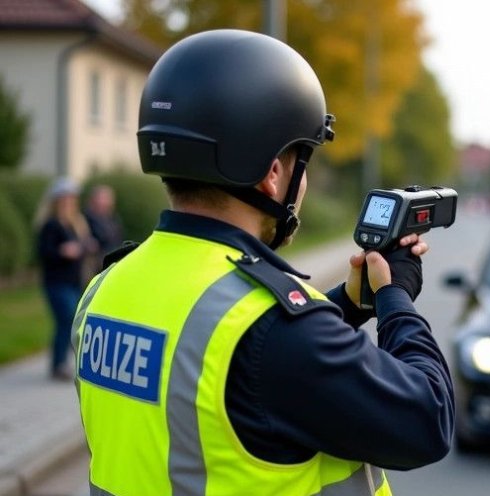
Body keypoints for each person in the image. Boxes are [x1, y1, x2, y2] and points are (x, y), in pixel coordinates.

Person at [72, 30, 453, 496]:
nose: (305, 181)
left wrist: (349, 306)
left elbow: (223, 365)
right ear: (273, 173)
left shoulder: (106, 288)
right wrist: (396, 299)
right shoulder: (276, 334)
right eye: (303, 162)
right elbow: (428, 419)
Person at [36, 177, 96, 380]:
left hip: (73, 281)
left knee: (67, 321)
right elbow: (44, 251)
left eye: (71, 199)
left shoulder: (75, 224)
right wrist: (62, 251)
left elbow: (83, 245)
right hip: (56, 282)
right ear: (56, 201)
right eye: (65, 199)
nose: (69, 202)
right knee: (67, 319)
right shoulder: (50, 225)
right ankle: (59, 364)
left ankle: (59, 363)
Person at [83, 184, 123, 270]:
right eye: (102, 198)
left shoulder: (113, 219)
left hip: (112, 264)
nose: (105, 202)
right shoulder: (86, 219)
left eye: (108, 198)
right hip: (95, 266)